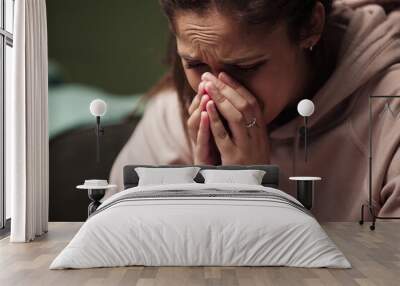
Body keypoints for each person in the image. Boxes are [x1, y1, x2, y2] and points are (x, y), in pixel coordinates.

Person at [108, 0, 400, 221]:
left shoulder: (390, 114)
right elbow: (113, 252)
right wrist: (203, 193)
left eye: (245, 67)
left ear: (310, 26)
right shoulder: (171, 113)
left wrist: (253, 196)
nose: (214, 89)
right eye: (195, 65)